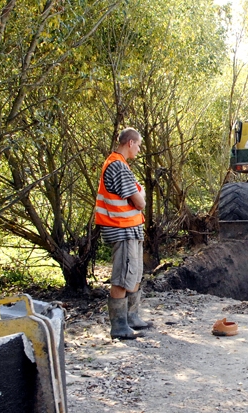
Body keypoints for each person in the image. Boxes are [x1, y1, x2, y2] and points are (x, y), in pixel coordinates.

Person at [95, 127, 151, 340]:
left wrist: (140, 194)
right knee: (122, 276)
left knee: (134, 273)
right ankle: (119, 325)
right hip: (121, 229)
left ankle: (131, 317)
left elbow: (138, 196)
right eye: (138, 145)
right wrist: (141, 194)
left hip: (131, 228)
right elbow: (139, 201)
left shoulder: (122, 165)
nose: (138, 149)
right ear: (130, 143)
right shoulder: (117, 166)